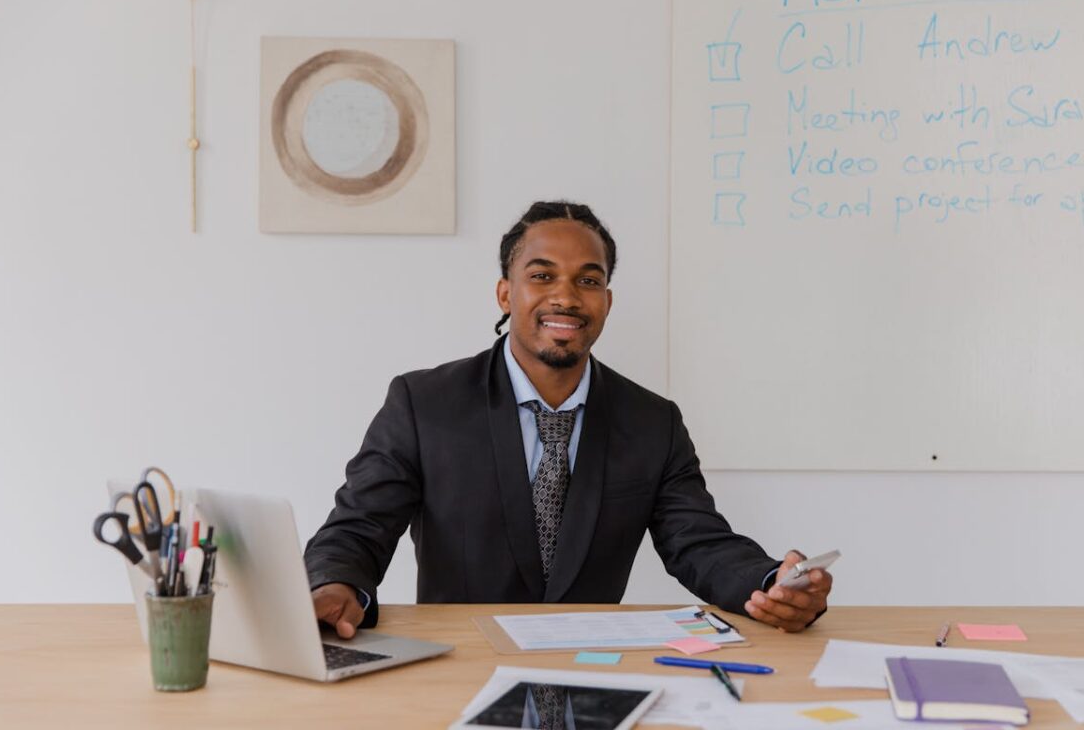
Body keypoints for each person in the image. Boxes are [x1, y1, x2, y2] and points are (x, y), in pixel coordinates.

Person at [305, 201, 832, 639]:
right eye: (542, 276)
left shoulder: (653, 422)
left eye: (588, 279)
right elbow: (358, 527)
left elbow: (699, 542)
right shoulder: (424, 403)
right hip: (460, 664)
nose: (566, 296)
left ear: (606, 300)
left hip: (593, 667)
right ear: (506, 293)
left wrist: (772, 581)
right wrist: (333, 585)